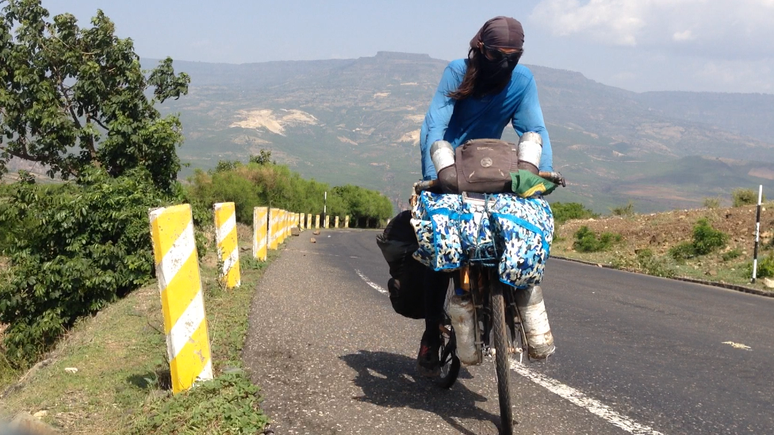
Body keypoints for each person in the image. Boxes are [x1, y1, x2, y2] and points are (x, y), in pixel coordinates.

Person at [416, 16, 554, 376]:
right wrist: (435, 176)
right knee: (439, 247)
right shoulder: (457, 72)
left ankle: (507, 301)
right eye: (497, 55)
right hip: (450, 167)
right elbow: (435, 124)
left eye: (514, 56)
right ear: (481, 49)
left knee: (520, 228)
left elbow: (534, 128)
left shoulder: (521, 81)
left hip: (492, 168)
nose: (505, 63)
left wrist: (536, 178)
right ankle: (431, 332)